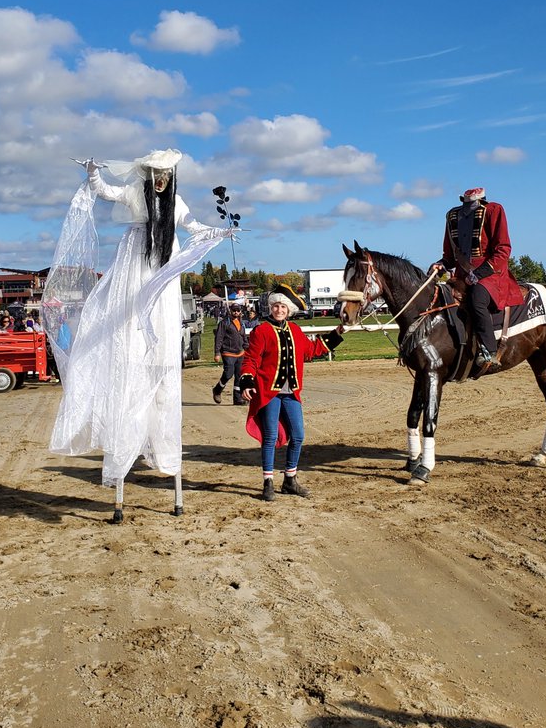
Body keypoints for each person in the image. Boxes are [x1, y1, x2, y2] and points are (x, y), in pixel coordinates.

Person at [45, 150, 235, 492]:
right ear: (148, 175)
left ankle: (164, 453)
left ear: (171, 176)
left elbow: (195, 227)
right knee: (127, 339)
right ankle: (123, 443)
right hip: (135, 266)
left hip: (162, 273)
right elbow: (106, 191)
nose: (160, 179)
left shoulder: (176, 203)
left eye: (165, 174)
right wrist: (92, 174)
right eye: (155, 174)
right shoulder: (136, 194)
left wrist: (220, 233)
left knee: (161, 343)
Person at [238, 284, 344, 502]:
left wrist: (337, 333)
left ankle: (290, 479)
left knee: (298, 435)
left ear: (288, 310)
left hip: (291, 392)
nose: (279, 310)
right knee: (270, 437)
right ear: (271, 308)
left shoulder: (295, 330)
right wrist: (247, 380)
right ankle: (268, 482)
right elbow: (251, 359)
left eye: (282, 307)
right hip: (269, 392)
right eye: (276, 306)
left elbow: (312, 350)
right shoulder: (261, 331)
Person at [429, 186, 524, 370]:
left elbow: (503, 250)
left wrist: (479, 274)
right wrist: (441, 264)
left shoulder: (493, 210)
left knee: (476, 299)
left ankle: (489, 351)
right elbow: (450, 256)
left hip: (491, 275)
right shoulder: (452, 217)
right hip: (461, 276)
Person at [212, 303, 247, 405]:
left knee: (239, 375)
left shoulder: (242, 323)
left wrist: (246, 347)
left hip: (240, 353)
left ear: (240, 311)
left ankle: (237, 399)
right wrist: (217, 353)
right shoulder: (224, 323)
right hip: (228, 352)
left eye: (238, 310)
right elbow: (219, 338)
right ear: (230, 311)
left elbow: (244, 337)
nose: (236, 312)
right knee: (228, 374)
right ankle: (217, 390)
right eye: (234, 310)